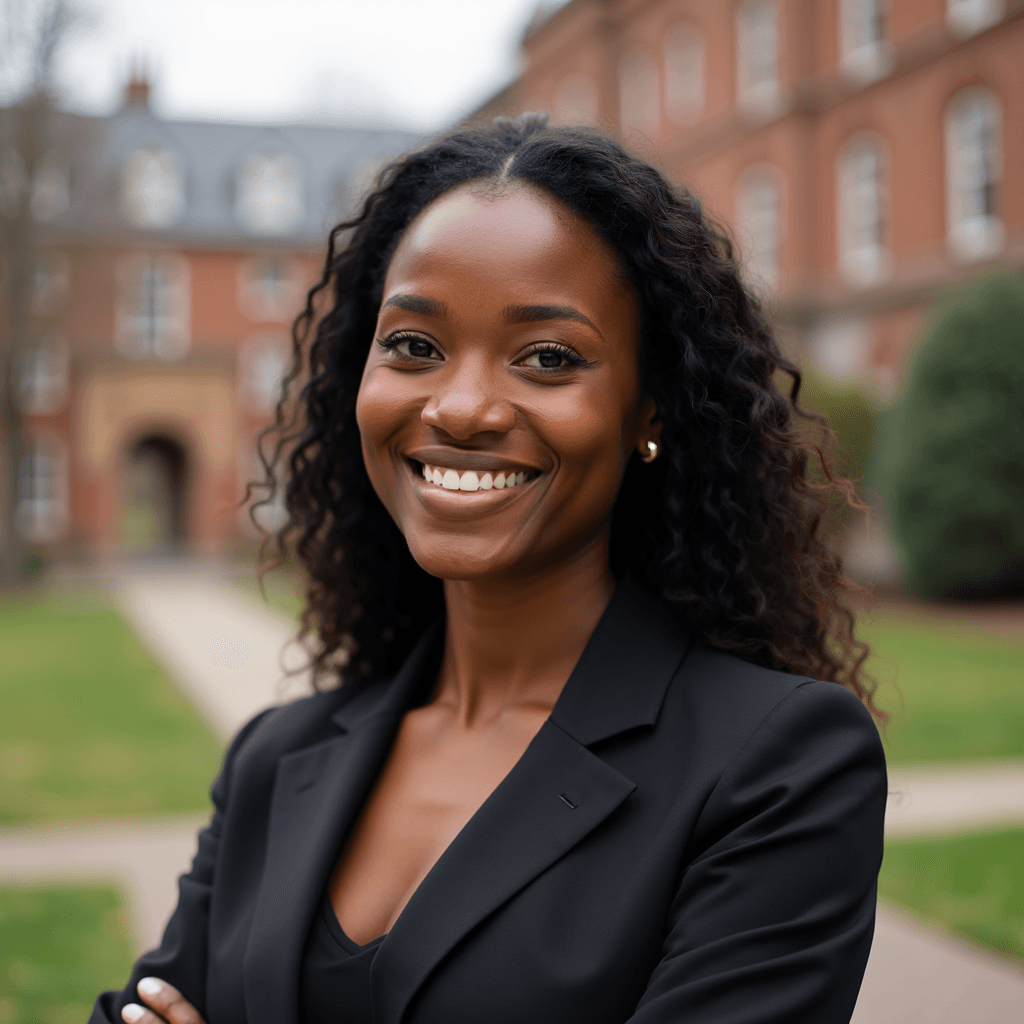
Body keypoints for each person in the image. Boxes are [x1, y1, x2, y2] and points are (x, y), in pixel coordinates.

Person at [91, 114, 887, 1024]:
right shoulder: (277, 760)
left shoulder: (775, 767)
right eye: (415, 346)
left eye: (547, 358)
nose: (461, 407)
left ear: (648, 410)